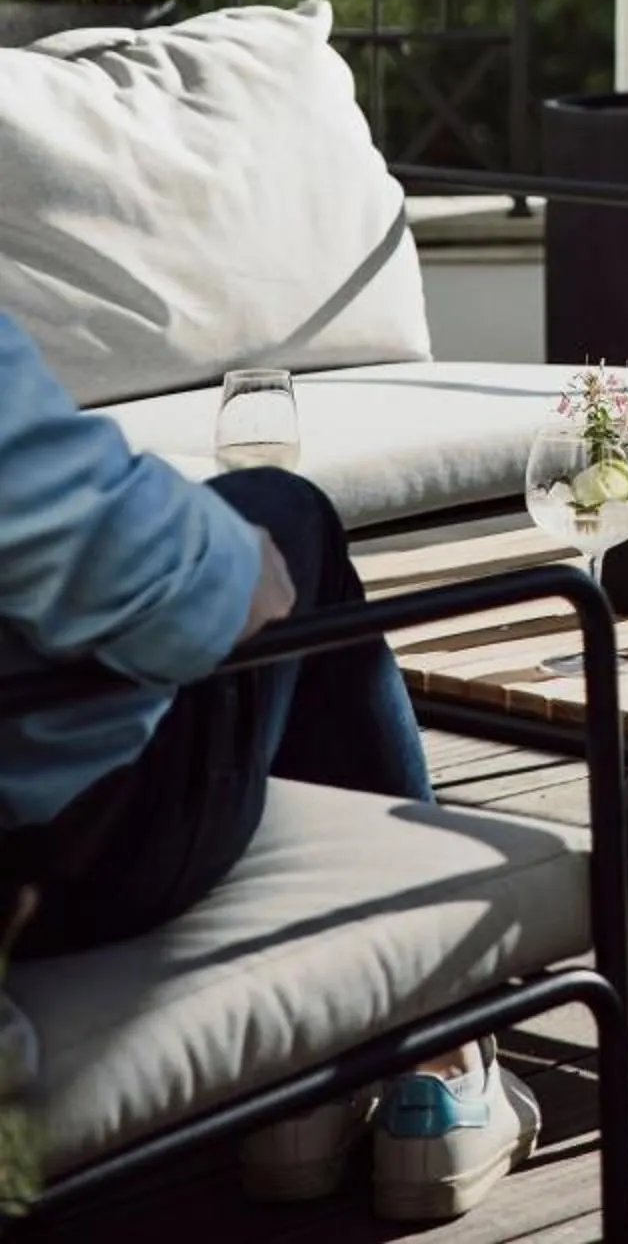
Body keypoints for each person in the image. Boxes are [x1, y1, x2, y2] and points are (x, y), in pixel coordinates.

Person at [0, 308, 539, 1218]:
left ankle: (312, 1092)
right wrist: (226, 546)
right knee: (287, 521)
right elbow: (117, 553)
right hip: (71, 854)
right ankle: (435, 1057)